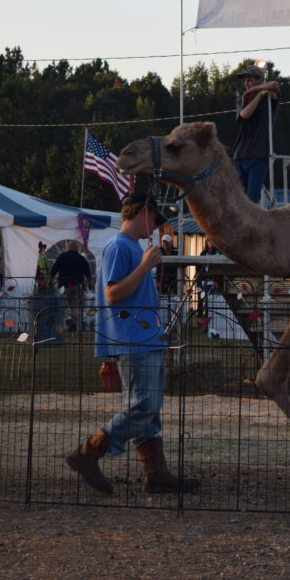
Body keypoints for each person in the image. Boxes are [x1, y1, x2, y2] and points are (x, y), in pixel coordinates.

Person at [66, 193, 199, 495]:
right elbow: (113, 295)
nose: (155, 228)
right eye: (154, 219)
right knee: (143, 407)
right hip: (132, 340)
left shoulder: (128, 246)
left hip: (142, 338)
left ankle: (157, 473)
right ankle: (88, 452)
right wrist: (144, 267)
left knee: (148, 411)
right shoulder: (119, 246)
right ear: (143, 212)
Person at [233, 64, 280, 205]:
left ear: (259, 80)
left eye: (249, 80)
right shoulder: (242, 99)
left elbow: (275, 85)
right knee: (238, 199)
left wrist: (259, 92)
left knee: (251, 199)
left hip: (259, 156)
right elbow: (244, 114)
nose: (246, 84)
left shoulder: (269, 98)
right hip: (240, 156)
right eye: (245, 81)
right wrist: (257, 94)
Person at [50, 240, 91, 332]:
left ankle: (67, 319)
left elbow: (54, 269)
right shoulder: (81, 258)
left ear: (68, 248)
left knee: (63, 305)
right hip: (77, 285)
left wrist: (50, 280)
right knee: (76, 306)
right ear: (77, 249)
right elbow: (88, 273)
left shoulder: (62, 256)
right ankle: (73, 322)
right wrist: (90, 283)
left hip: (64, 286)